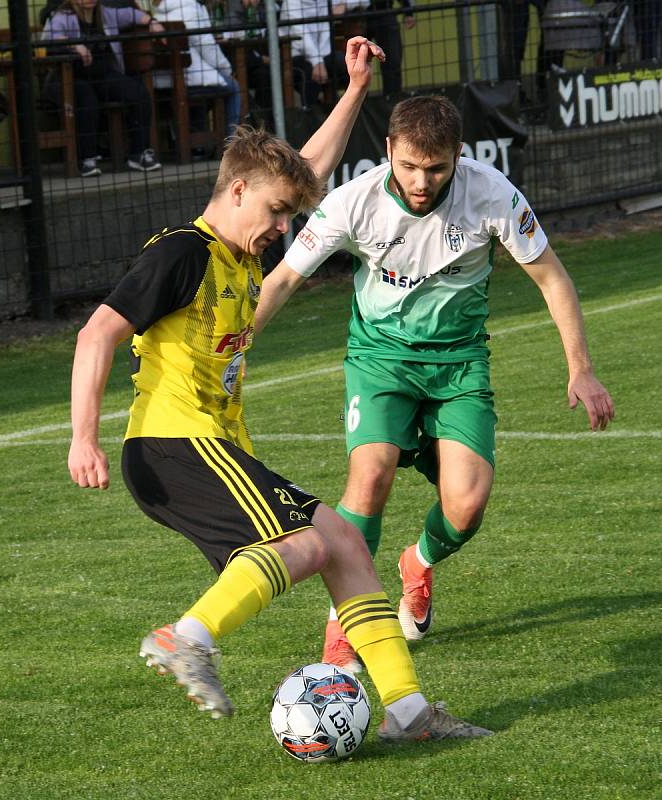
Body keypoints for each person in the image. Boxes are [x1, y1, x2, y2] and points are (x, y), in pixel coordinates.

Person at [68, 40, 492, 742]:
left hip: (215, 449)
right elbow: (95, 334)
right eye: (274, 212)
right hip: (176, 445)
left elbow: (304, 173)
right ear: (234, 193)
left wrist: (355, 90)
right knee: (305, 547)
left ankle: (411, 715)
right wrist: (84, 437)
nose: (283, 228)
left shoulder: (238, 255)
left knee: (345, 546)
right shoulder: (184, 252)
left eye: (289, 215)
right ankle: (188, 637)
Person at [255, 95, 615, 672]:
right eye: (410, 167)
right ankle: (345, 627)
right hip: (381, 360)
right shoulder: (353, 202)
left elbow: (552, 278)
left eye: (438, 168)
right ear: (390, 150)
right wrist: (233, 353)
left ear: (459, 156)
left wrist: (581, 366)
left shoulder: (493, 195)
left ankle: (417, 563)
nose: (422, 182)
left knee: (466, 508)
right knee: (368, 476)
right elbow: (279, 283)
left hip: (459, 364)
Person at [42, 0, 165, 176]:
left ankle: (139, 153)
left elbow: (133, 15)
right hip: (72, 77)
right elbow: (51, 39)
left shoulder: (106, 13)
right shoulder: (63, 17)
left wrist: (152, 22)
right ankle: (87, 159)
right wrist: (74, 45)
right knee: (87, 98)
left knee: (138, 93)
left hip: (104, 75)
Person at [151, 0, 242, 138]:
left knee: (208, 85)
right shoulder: (190, 9)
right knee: (233, 86)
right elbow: (207, 48)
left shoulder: (156, 15)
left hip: (160, 81)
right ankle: (233, 143)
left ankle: (198, 139)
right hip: (188, 78)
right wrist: (227, 70)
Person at [280, 0, 348, 107]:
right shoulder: (290, 3)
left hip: (323, 53)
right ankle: (309, 116)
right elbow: (301, 36)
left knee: (346, 63)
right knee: (308, 72)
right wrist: (317, 62)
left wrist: (345, 3)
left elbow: (364, 2)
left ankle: (350, 111)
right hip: (293, 54)